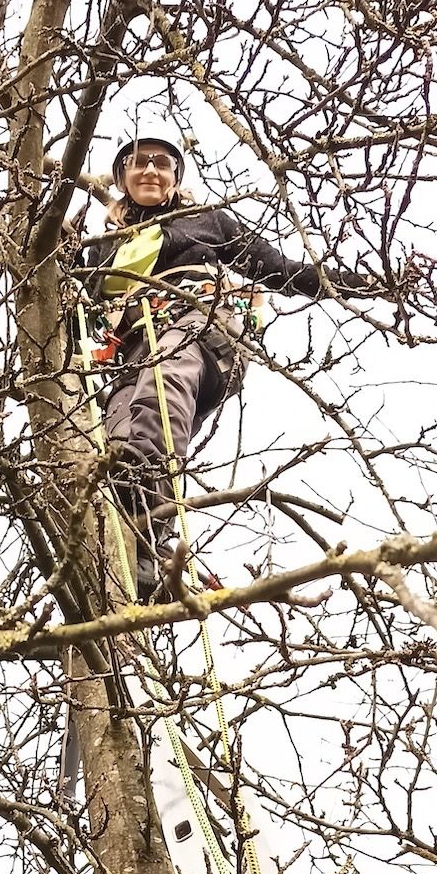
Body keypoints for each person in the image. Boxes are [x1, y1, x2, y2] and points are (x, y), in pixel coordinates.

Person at [77, 129, 373, 600]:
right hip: (131, 348)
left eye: (161, 163)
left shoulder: (207, 222)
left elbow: (282, 270)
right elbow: (68, 287)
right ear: (122, 178)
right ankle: (139, 556)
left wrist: (359, 281)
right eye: (138, 162)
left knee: (163, 386)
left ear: (175, 177)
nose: (150, 169)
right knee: (117, 431)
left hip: (199, 330)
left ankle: (149, 500)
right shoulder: (102, 246)